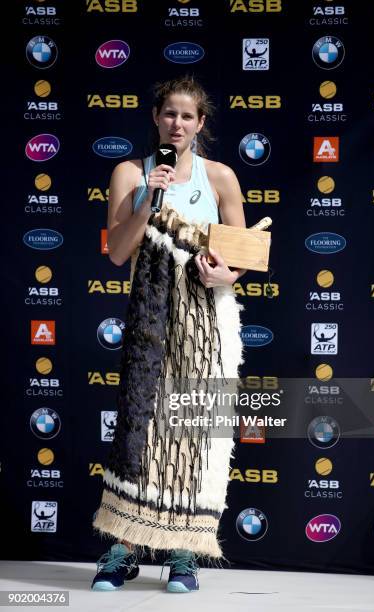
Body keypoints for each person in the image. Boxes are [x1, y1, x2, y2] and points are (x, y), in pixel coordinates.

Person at [91, 76, 246, 594]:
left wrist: (227, 275)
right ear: (155, 118)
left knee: (192, 429)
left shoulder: (220, 177)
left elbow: (241, 257)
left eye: (187, 116)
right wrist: (146, 199)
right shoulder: (130, 172)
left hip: (206, 322)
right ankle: (123, 548)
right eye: (169, 114)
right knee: (138, 431)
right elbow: (117, 252)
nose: (177, 124)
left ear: (201, 124)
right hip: (150, 321)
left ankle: (184, 551)